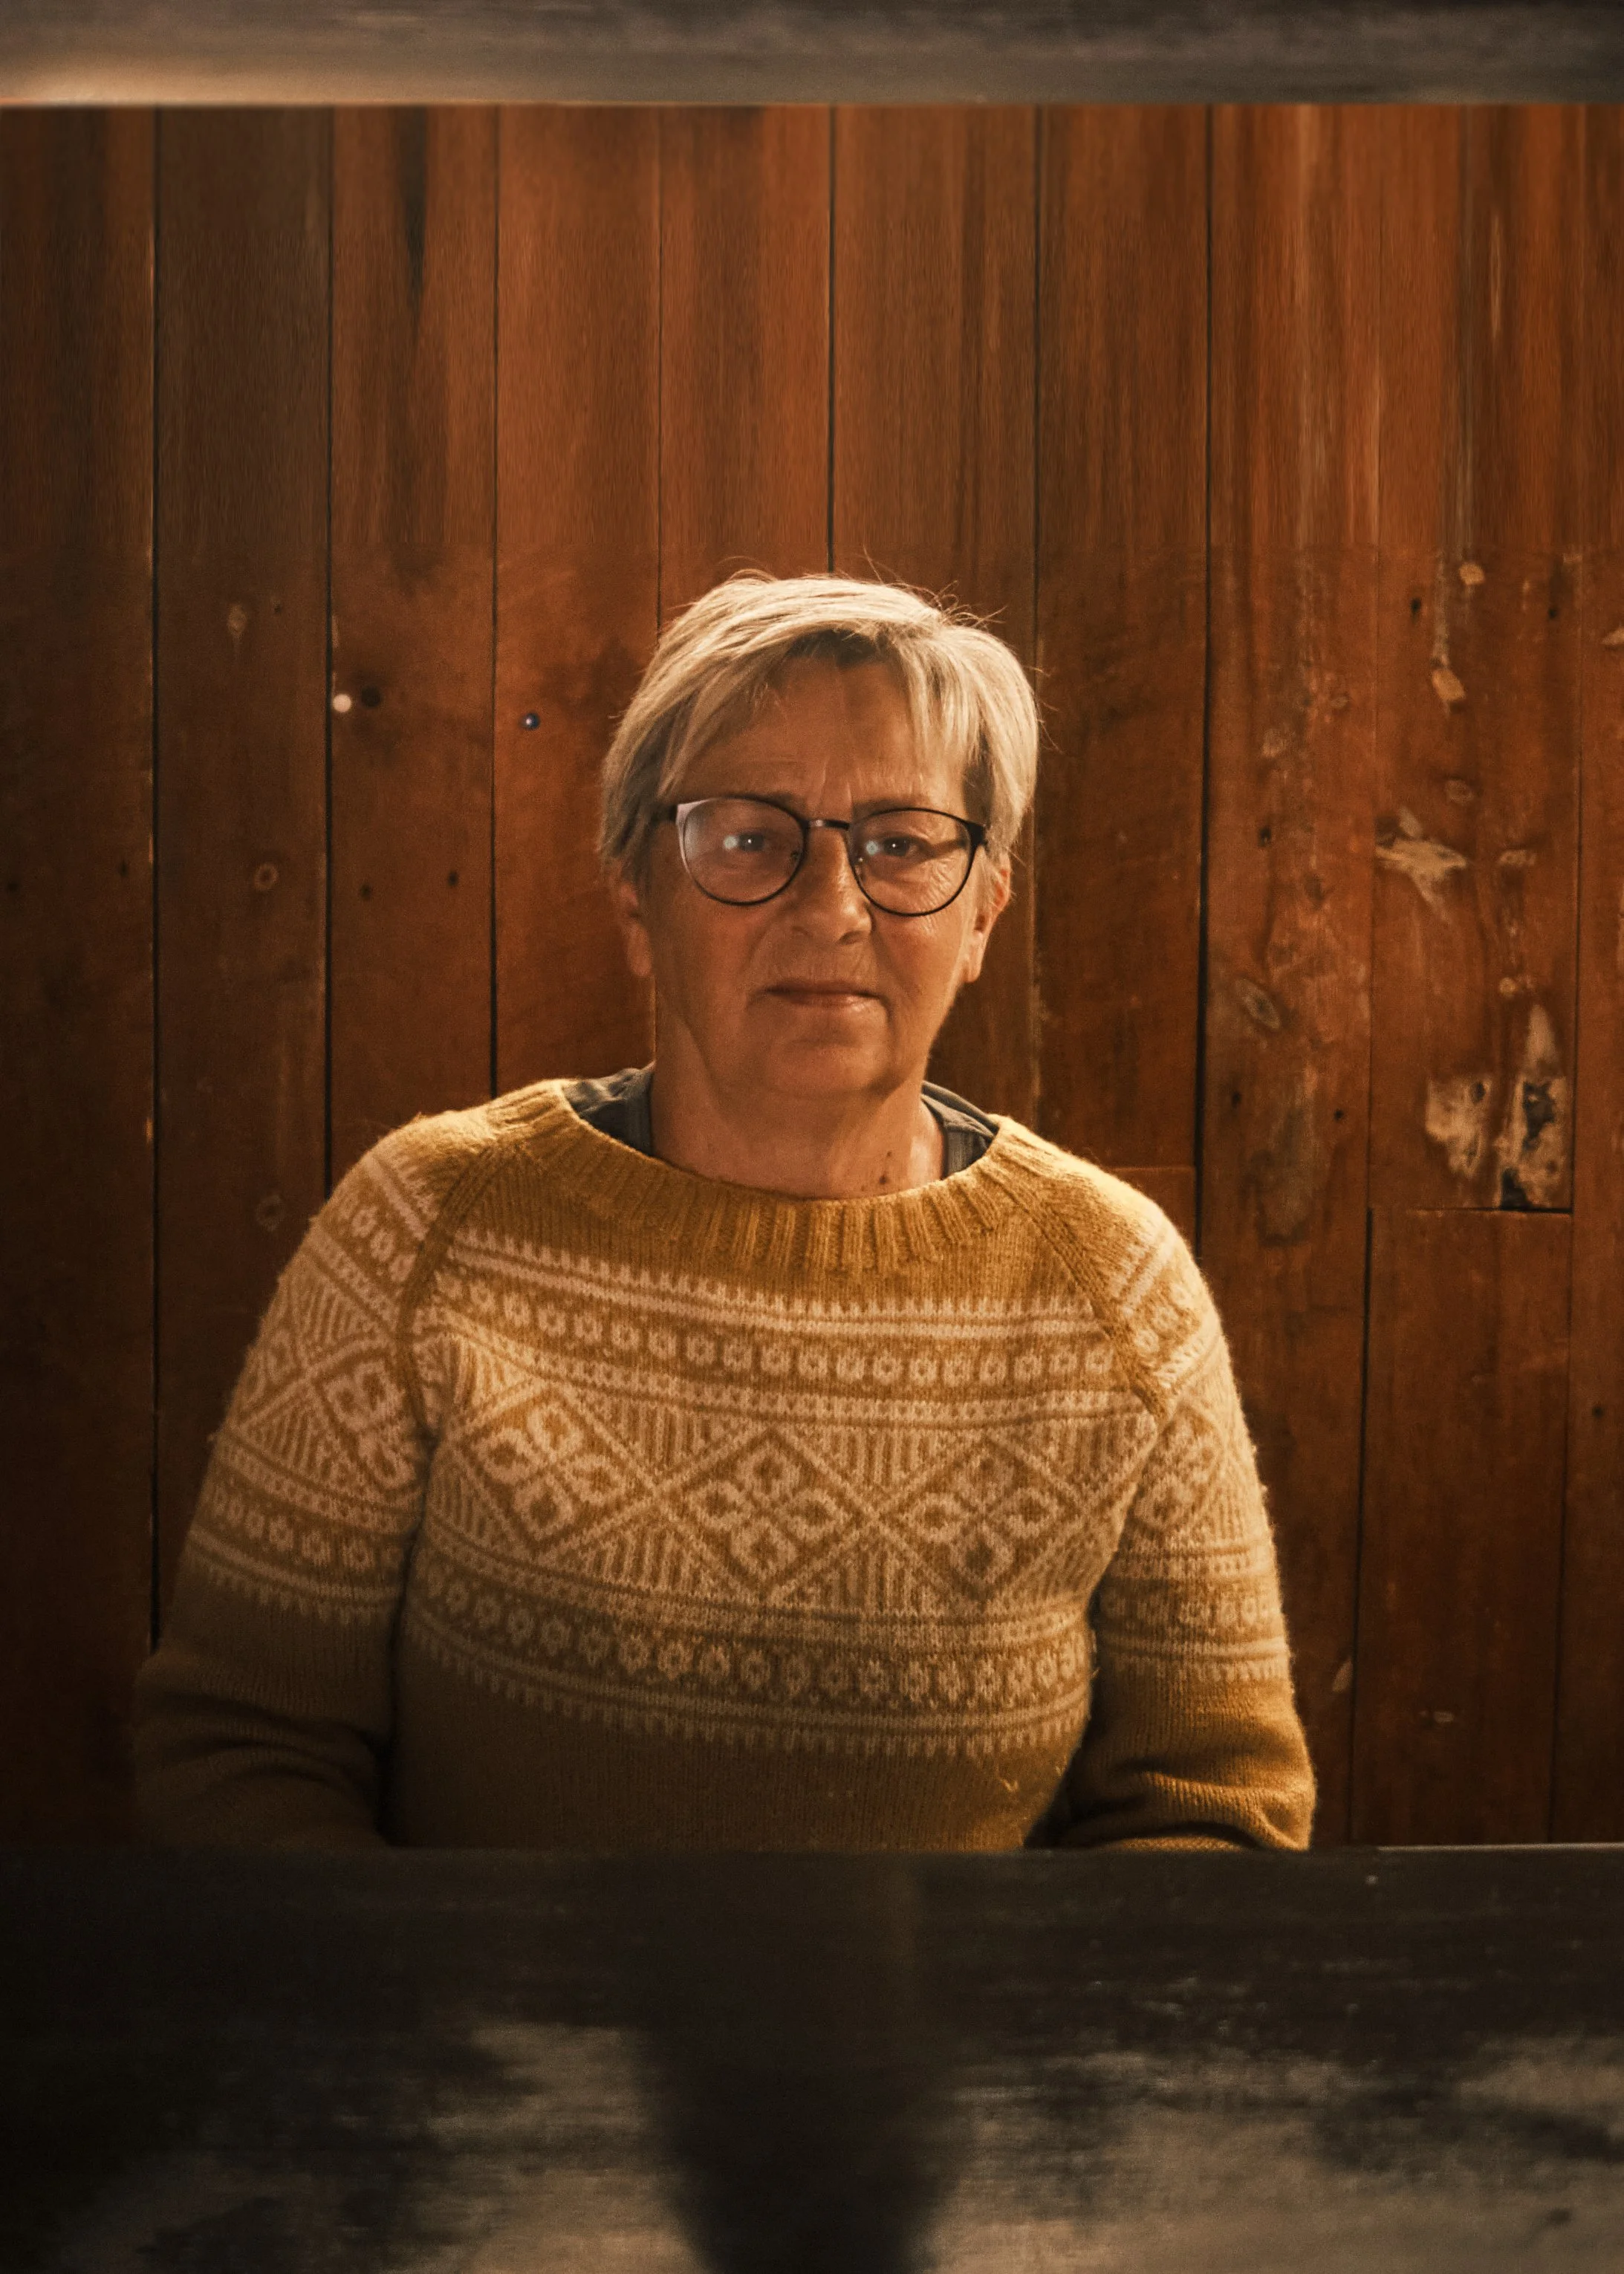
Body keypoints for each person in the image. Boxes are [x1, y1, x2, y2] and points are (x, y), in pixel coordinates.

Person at [133, 573, 1315, 1852]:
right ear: (638, 901)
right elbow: (241, 1747)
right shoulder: (426, 1225)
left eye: (903, 843)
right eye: (748, 836)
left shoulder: (1111, 1286)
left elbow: (1214, 1810)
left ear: (982, 914)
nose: (830, 906)